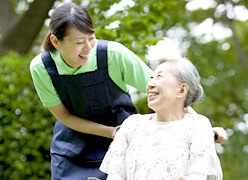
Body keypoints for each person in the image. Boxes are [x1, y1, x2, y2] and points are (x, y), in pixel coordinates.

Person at [30, 2, 226, 180]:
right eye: (80, 42)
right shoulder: (41, 67)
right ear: (56, 42)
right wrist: (109, 131)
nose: (88, 47)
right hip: (71, 150)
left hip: (123, 143)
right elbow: (64, 115)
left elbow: (169, 94)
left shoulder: (113, 54)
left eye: (92, 38)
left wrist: (200, 127)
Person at [100, 57, 223, 179]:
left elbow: (198, 175)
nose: (150, 84)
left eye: (159, 77)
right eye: (151, 78)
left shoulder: (198, 125)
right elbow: (116, 175)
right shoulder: (132, 124)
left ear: (181, 90)